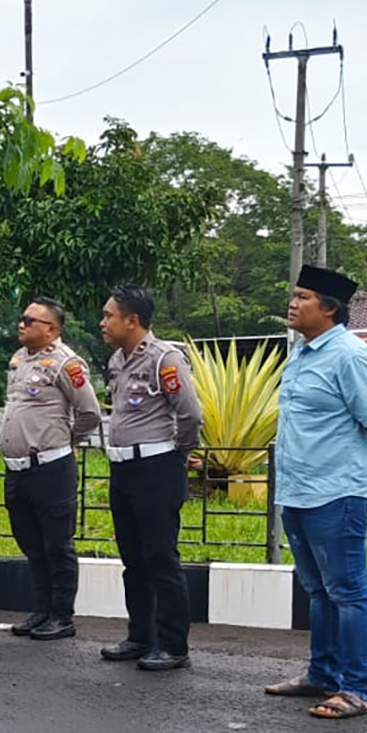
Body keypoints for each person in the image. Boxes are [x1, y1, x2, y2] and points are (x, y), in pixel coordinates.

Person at [265, 265, 367, 719]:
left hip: (338, 492)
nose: (293, 303)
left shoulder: (351, 356)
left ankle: (358, 688)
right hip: (298, 491)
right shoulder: (301, 353)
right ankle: (322, 674)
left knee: (349, 592)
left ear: (329, 308)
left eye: (303, 297)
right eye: (294, 295)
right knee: (318, 591)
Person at [97, 285, 202, 671]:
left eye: (109, 315)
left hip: (157, 467)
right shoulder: (117, 361)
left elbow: (190, 414)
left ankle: (174, 646)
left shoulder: (165, 359)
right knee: (134, 560)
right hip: (123, 468)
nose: (103, 322)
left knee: (160, 558)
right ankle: (140, 636)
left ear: (132, 320)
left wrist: (179, 454)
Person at [0, 298, 101, 640]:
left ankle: (61, 616)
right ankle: (41, 610)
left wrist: (65, 441)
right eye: (22, 318)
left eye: (30, 320)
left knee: (57, 545)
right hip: (17, 469)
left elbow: (89, 412)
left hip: (51, 468)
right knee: (31, 543)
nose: (22, 324)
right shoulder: (18, 360)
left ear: (51, 329)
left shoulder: (65, 363)